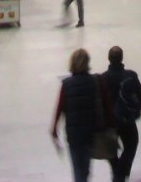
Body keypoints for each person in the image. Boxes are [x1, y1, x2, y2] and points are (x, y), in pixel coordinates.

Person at [51, 48, 113, 182]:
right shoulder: (97, 81)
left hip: (74, 136)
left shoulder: (66, 85)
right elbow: (107, 104)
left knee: (78, 169)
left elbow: (59, 108)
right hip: (93, 132)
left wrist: (54, 129)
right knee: (85, 168)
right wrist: (111, 125)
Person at [101, 46, 141, 182]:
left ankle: (117, 171)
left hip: (110, 121)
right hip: (127, 118)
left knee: (110, 148)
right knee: (132, 144)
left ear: (109, 59)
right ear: (122, 58)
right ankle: (121, 172)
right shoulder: (131, 75)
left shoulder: (103, 78)